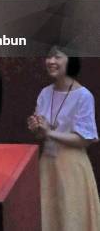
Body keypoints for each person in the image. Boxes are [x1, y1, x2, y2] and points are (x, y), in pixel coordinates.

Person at [28, 45, 100, 231]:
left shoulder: (84, 96)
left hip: (73, 168)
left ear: (71, 60)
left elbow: (85, 139)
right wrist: (36, 128)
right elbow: (40, 134)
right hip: (47, 165)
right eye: (49, 57)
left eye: (57, 57)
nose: (51, 61)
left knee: (72, 219)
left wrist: (49, 133)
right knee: (48, 218)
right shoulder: (45, 93)